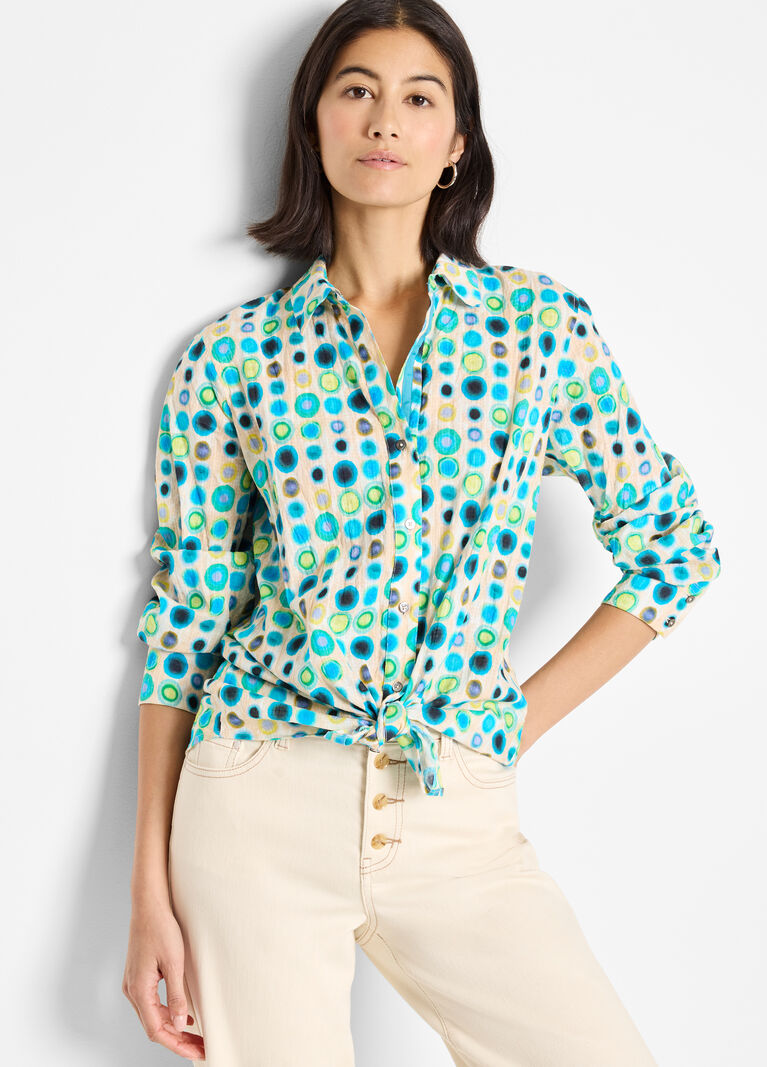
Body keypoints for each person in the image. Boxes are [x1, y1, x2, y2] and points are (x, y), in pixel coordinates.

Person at [122, 2, 722, 1064]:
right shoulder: (231, 358)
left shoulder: (535, 330)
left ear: (455, 144)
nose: (384, 120)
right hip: (257, 800)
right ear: (313, 123)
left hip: (455, 805)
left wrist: (509, 725)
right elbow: (185, 628)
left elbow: (675, 546)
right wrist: (149, 891)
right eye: (356, 90)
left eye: (418, 97)